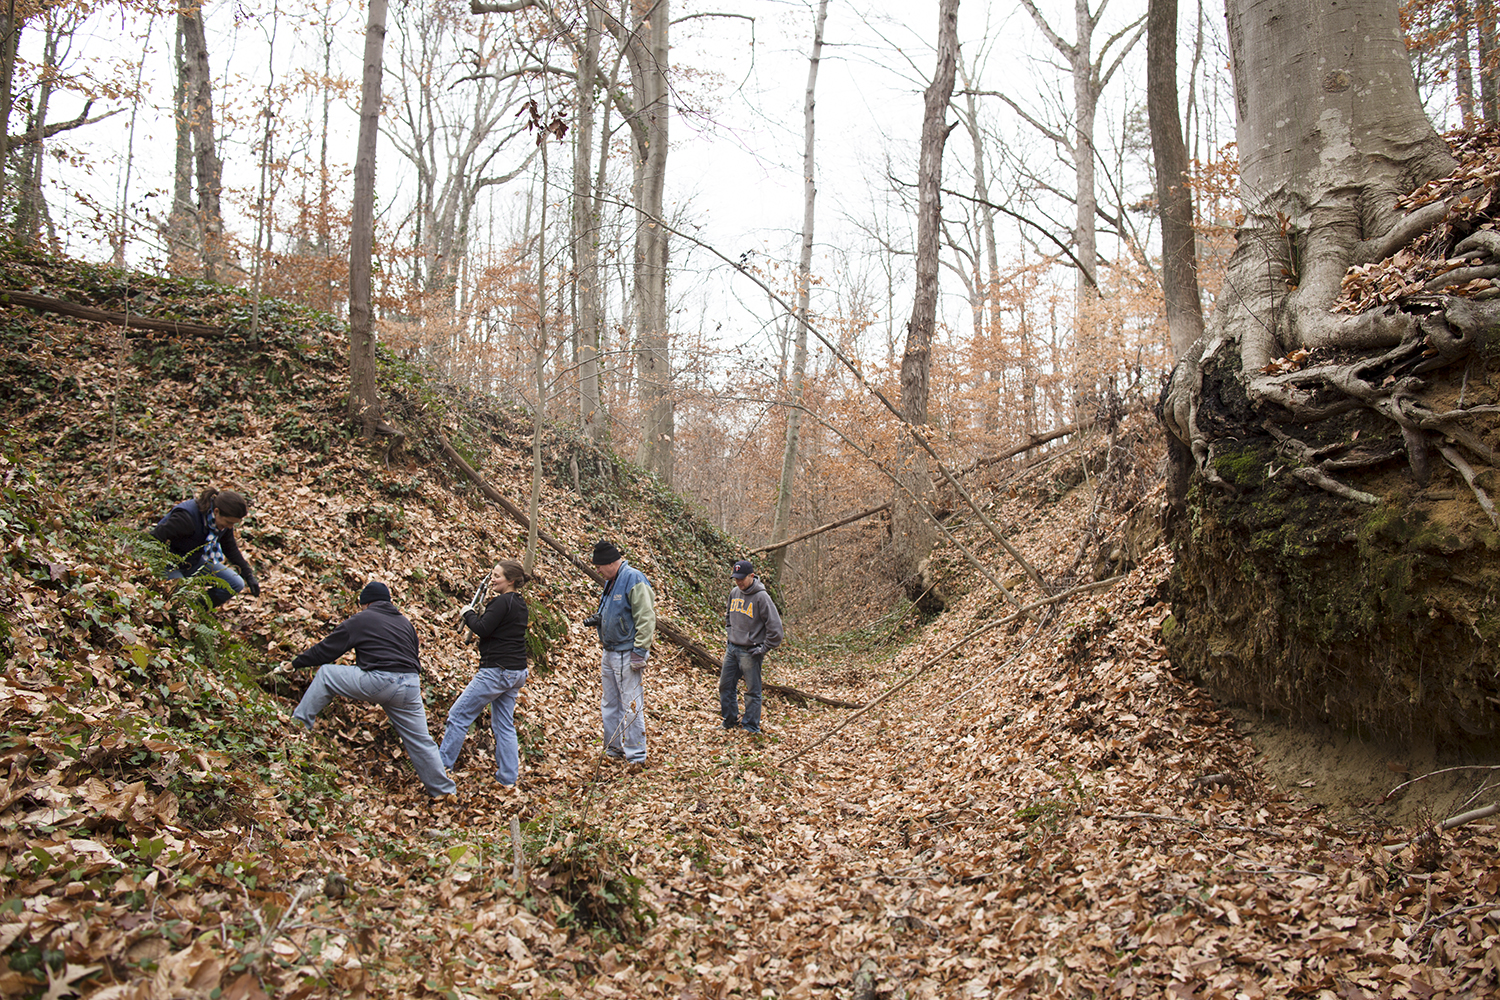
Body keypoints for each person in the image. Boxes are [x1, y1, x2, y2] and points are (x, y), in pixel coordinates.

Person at [289, 581, 456, 799]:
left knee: (327, 674)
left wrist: (296, 663)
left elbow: (327, 651)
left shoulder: (362, 619)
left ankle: (297, 725)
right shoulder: (405, 623)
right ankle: (445, 793)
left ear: (365, 603)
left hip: (381, 680)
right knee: (421, 741)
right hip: (411, 685)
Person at [439, 561, 531, 788]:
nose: (493, 579)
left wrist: (468, 613)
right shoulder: (519, 603)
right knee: (503, 725)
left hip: (497, 671)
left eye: (497, 576)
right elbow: (496, 627)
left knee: (458, 716)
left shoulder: (501, 602)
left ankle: (439, 771)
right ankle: (508, 779)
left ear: (510, 581)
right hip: (515, 671)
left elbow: (482, 628)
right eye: (492, 575)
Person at [588, 540, 655, 765]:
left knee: (631, 703)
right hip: (610, 651)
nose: (596, 570)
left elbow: (646, 617)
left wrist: (640, 651)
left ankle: (637, 756)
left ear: (610, 562)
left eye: (599, 566)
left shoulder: (633, 578)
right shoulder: (611, 580)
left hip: (627, 653)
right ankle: (613, 748)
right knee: (610, 703)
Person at [150, 487, 261, 607]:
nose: (230, 527)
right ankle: (183, 611)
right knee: (182, 596)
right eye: (229, 522)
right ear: (217, 511)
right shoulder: (186, 518)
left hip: (193, 562)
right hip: (169, 565)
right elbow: (153, 538)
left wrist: (248, 575)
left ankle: (198, 610)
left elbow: (230, 548)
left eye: (233, 524)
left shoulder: (221, 523)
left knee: (235, 583)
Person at [720, 559, 783, 735]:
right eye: (736, 578)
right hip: (732, 648)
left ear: (751, 576)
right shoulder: (734, 593)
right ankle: (729, 720)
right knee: (726, 686)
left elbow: (776, 629)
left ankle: (751, 726)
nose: (739, 582)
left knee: (752, 690)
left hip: (750, 651)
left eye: (742, 578)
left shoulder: (762, 597)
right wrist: (730, 633)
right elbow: (728, 616)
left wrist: (763, 648)